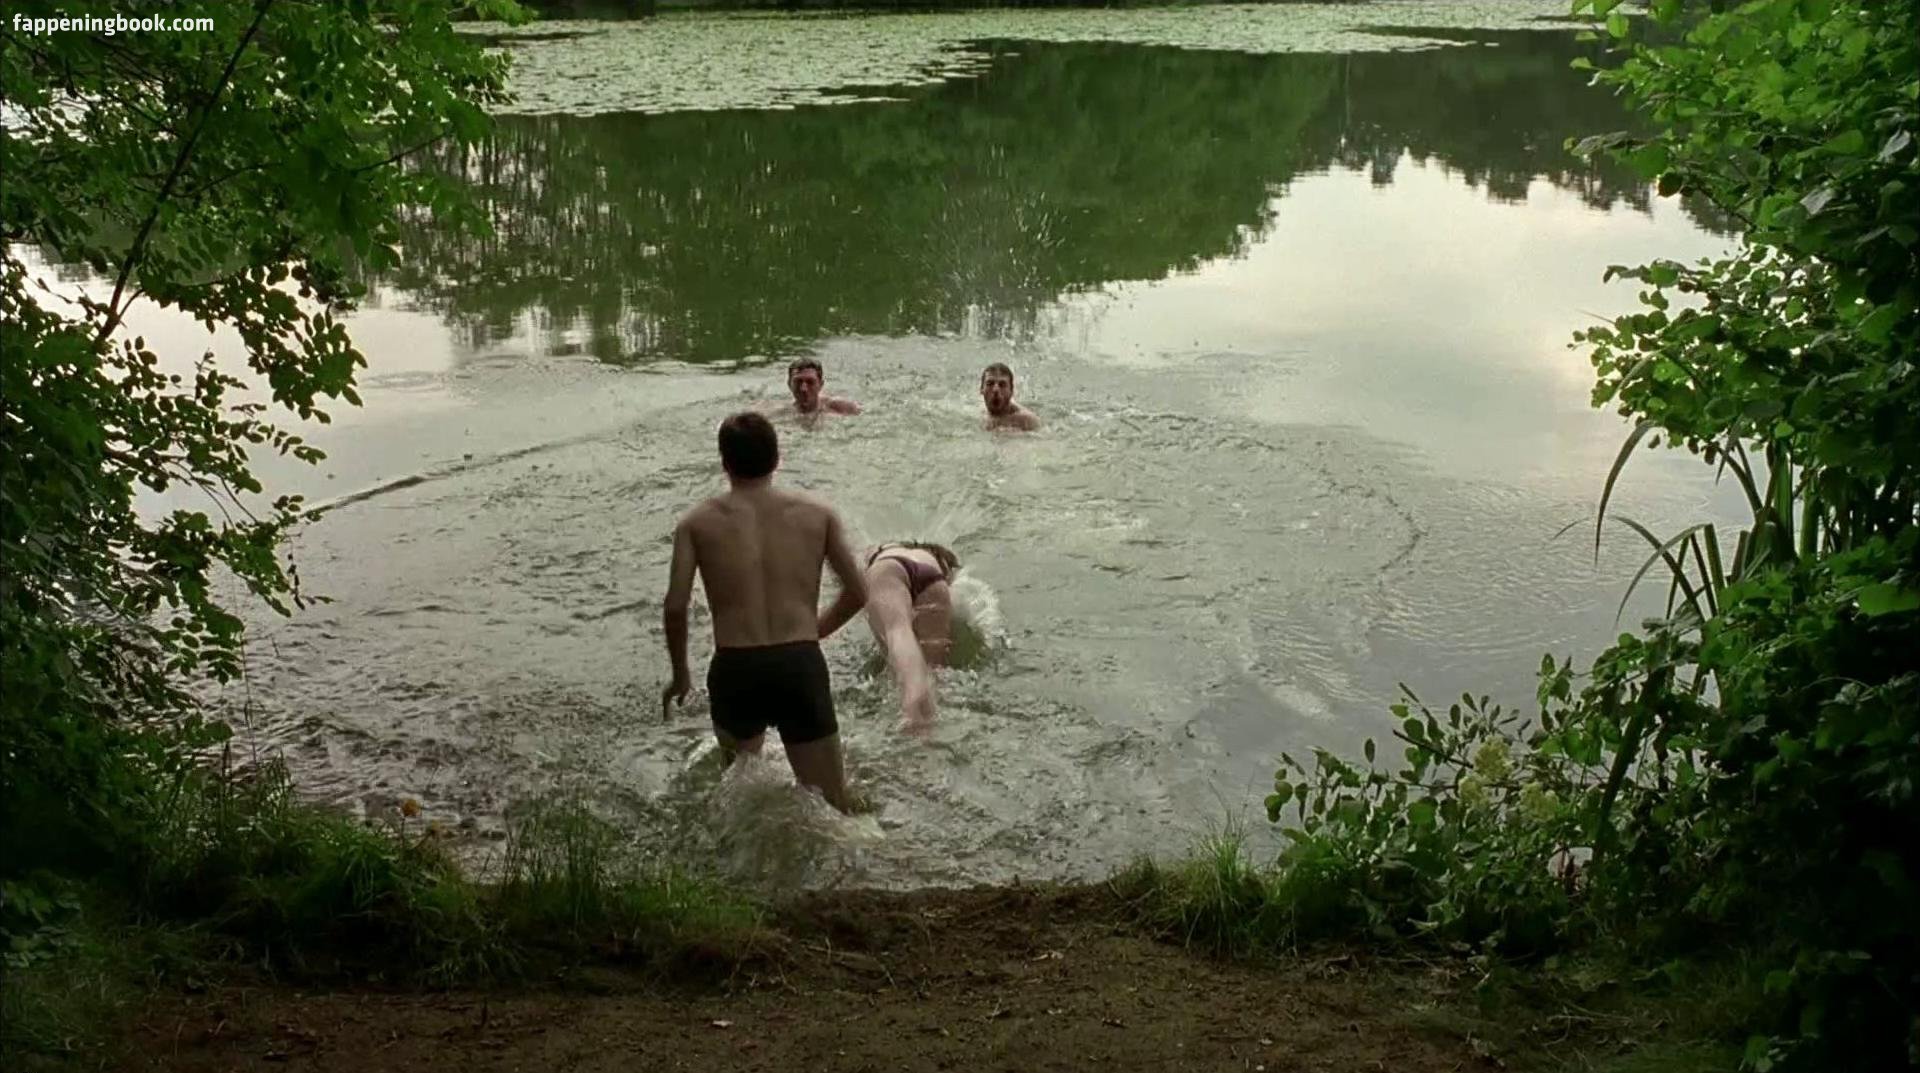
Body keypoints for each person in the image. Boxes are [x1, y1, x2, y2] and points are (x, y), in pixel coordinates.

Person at [660, 412, 869, 812]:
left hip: (735, 668)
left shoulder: (695, 523)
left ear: (724, 462)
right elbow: (859, 593)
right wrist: (812, 632)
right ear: (777, 458)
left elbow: (675, 606)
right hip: (798, 665)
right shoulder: (818, 514)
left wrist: (680, 674)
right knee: (832, 804)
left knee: (740, 801)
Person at [860, 541, 961, 734]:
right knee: (934, 669)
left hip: (888, 570)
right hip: (935, 581)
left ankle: (913, 717)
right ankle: (932, 719)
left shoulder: (883, 552)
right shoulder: (930, 558)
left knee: (897, 632)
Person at [786, 357, 862, 416]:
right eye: (798, 382)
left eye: (810, 382)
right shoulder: (783, 413)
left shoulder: (845, 407)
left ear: (821, 385)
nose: (804, 389)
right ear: (789, 384)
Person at [979, 362, 1040, 430]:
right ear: (981, 389)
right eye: (990, 384)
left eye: (1002, 385)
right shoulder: (978, 414)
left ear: (1011, 391)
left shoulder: (1027, 420)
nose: (996, 389)